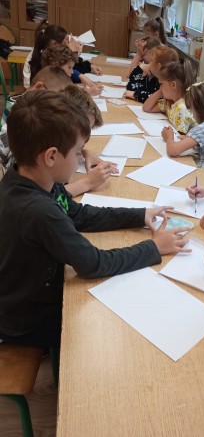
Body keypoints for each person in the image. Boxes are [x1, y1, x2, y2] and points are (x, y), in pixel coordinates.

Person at [0, 90, 190, 349]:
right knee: (114, 330)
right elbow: (92, 264)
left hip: (26, 297)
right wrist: (154, 247)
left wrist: (138, 215)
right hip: (27, 322)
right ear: (51, 156)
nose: (81, 159)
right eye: (78, 152)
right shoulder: (39, 211)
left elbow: (78, 215)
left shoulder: (32, 179)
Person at [0, 66, 72, 174]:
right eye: (53, 99)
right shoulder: (25, 116)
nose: (55, 105)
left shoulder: (19, 103)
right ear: (39, 87)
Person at [142, 59, 196, 134]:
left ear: (173, 85)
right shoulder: (170, 102)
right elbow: (146, 108)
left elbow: (179, 138)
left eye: (161, 83)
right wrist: (161, 90)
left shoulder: (182, 109)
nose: (160, 87)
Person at [124, 36, 161, 102]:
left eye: (143, 54)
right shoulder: (147, 71)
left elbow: (157, 98)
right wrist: (138, 54)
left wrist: (136, 95)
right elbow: (130, 87)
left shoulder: (160, 74)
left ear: (152, 54)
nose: (141, 58)